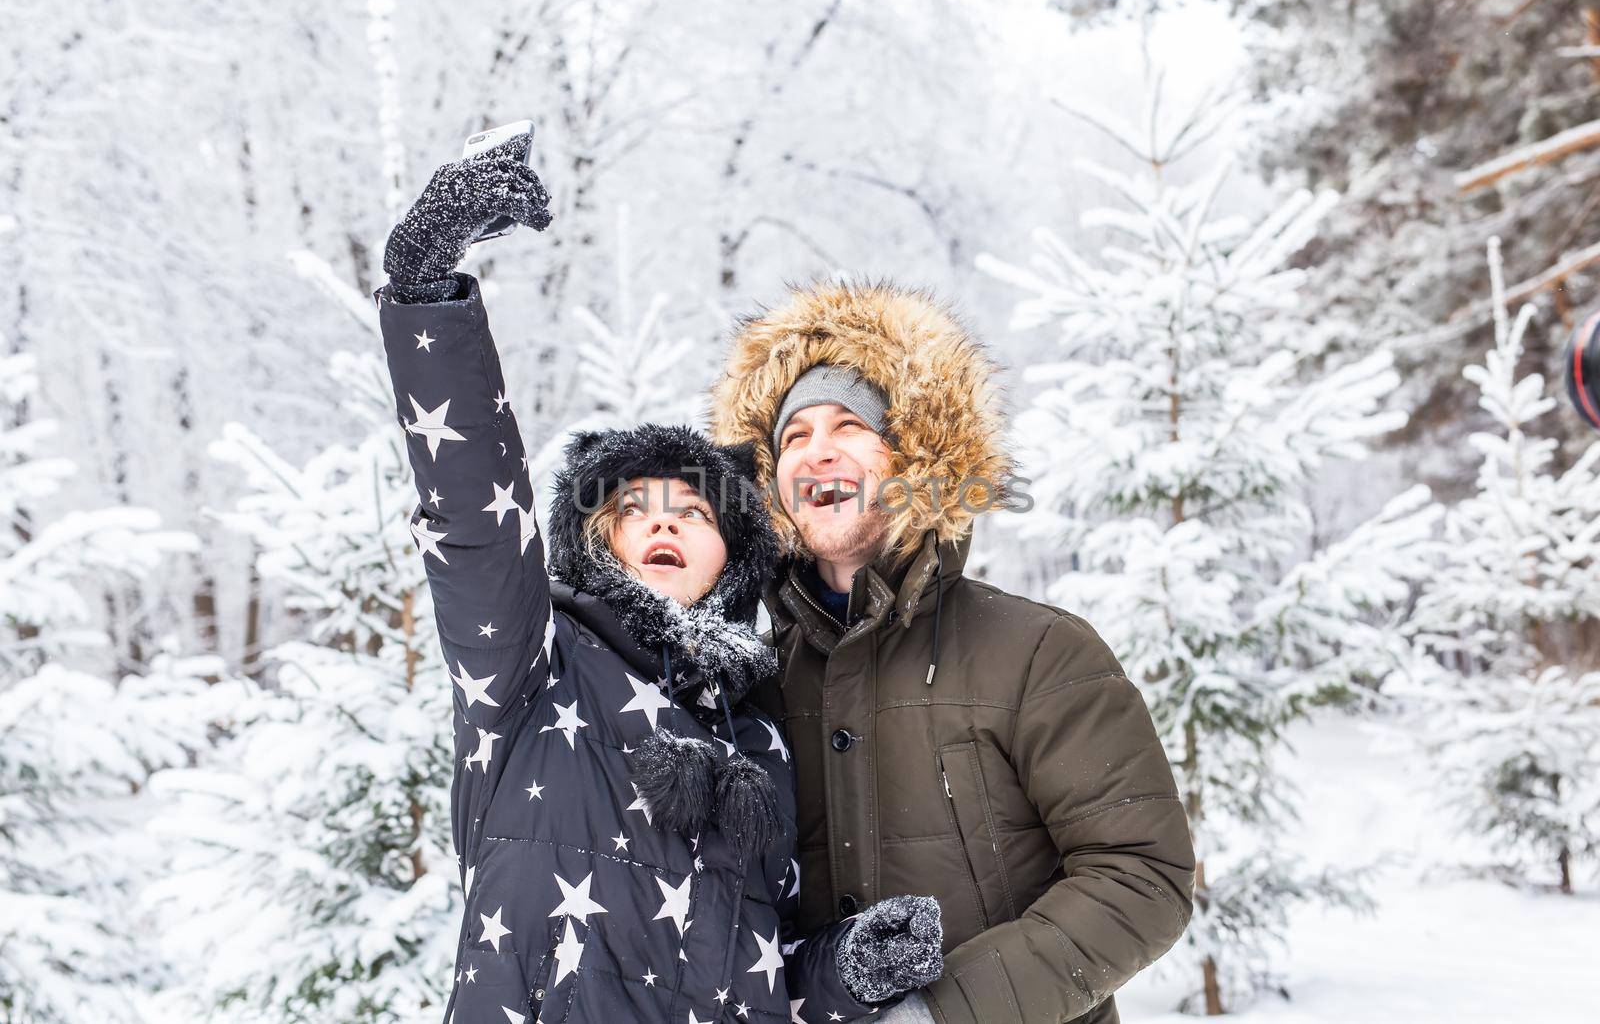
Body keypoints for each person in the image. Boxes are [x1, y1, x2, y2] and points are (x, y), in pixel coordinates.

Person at [375, 136, 945, 1024]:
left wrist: (846, 972)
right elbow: (477, 525)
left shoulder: (757, 737)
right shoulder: (533, 669)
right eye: (636, 506)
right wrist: (425, 297)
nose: (669, 520)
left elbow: (765, 971)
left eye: (698, 511)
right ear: (596, 541)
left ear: (736, 560)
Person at [709, 282, 1198, 1024]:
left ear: (913, 456)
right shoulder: (750, 686)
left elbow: (1143, 874)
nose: (818, 451)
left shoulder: (1040, 652)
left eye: (850, 424)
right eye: (793, 436)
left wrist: (943, 1013)